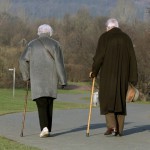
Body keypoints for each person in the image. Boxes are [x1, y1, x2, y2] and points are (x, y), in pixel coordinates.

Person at [89, 18, 138, 136]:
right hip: (123, 75)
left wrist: (94, 71)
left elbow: (99, 57)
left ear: (108, 27)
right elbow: (133, 58)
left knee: (106, 98)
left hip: (108, 74)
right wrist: (133, 78)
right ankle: (119, 129)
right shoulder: (126, 38)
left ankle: (112, 126)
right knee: (120, 100)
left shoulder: (104, 37)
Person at [19, 24, 67, 138]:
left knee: (41, 103)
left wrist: (26, 76)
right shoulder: (55, 44)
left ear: (38, 32)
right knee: (49, 103)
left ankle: (45, 128)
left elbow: (22, 60)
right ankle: (47, 128)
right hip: (51, 79)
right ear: (50, 33)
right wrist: (63, 80)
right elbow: (59, 63)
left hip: (37, 80)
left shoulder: (31, 44)